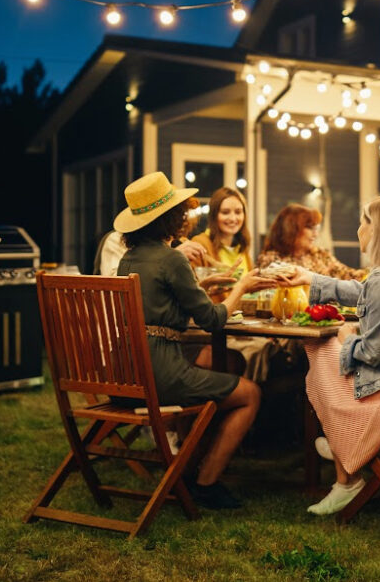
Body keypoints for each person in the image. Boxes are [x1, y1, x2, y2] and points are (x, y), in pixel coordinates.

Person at [113, 172, 276, 509]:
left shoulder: (130, 259)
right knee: (249, 394)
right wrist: (242, 287)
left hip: (126, 372)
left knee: (220, 381)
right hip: (160, 373)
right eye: (181, 211)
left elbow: (157, 304)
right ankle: (205, 482)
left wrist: (201, 287)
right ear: (170, 217)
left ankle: (185, 473)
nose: (186, 216)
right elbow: (212, 320)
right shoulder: (172, 257)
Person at [277, 194, 380, 515]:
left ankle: (346, 474)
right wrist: (312, 279)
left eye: (362, 223)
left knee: (320, 347)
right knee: (329, 354)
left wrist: (346, 336)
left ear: (377, 230)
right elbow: (366, 293)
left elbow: (374, 352)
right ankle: (344, 445)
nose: (358, 230)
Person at [258, 203, 367, 280]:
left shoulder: (320, 254)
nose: (315, 234)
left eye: (316, 228)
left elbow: (349, 275)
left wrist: (375, 272)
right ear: (291, 230)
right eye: (310, 228)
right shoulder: (271, 260)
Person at [190, 188, 254, 298]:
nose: (233, 218)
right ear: (214, 215)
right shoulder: (200, 244)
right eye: (225, 212)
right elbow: (191, 292)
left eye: (238, 212)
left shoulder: (242, 248)